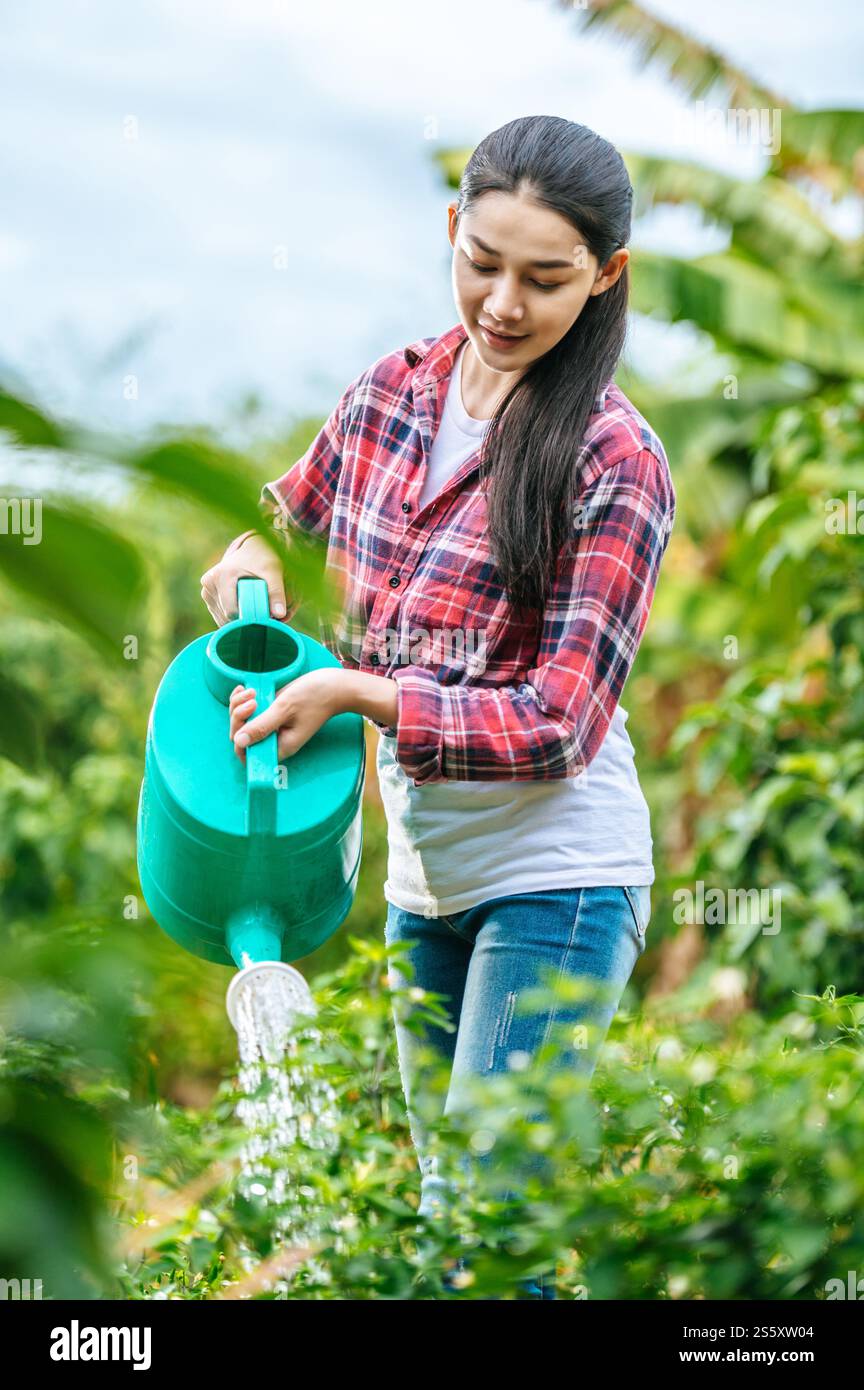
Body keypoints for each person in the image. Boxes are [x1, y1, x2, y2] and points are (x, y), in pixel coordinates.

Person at [200, 114, 676, 1300]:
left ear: (606, 278)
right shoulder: (391, 395)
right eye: (484, 261)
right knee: (443, 1224)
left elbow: (560, 722)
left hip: (558, 880)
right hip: (427, 885)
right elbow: (281, 525)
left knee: (482, 1230)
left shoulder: (614, 461)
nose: (504, 303)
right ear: (452, 228)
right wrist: (248, 566)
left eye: (546, 278)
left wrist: (363, 690)